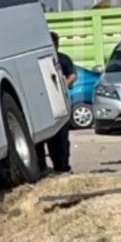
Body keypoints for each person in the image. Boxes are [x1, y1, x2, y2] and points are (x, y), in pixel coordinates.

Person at [44, 32, 77, 172]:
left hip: (60, 102)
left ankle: (63, 165)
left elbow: (73, 75)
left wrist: (64, 83)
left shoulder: (62, 59)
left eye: (56, 43)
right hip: (45, 104)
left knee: (62, 138)